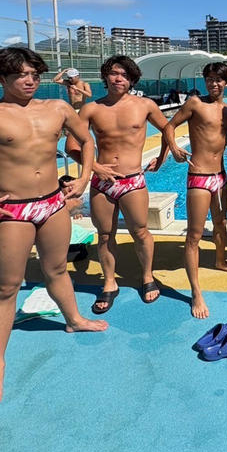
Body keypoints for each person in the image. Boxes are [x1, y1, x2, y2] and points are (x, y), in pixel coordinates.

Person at [0, 47, 107, 408]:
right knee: (6, 287)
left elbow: (86, 141)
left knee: (57, 269)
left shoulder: (57, 108)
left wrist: (83, 178)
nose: (30, 81)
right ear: (2, 78)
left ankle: (74, 319)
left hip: (53, 203)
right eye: (21, 75)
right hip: (13, 210)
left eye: (35, 74)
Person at [72, 56, 169, 314]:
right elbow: (72, 146)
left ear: (132, 80)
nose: (119, 79)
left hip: (133, 180)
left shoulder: (145, 105)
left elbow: (168, 129)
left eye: (125, 75)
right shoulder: (91, 110)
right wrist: (96, 167)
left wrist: (162, 157)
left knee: (141, 232)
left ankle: (147, 276)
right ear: (106, 76)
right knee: (105, 235)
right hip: (102, 182)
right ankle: (109, 282)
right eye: (114, 73)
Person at [164, 62, 227, 318]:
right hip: (199, 176)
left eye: (218, 79)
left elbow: (223, 137)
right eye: (209, 79)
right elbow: (169, 126)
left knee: (221, 223)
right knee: (194, 235)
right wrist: (174, 149)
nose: (213, 83)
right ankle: (196, 292)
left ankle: (220, 261)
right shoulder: (195, 104)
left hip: (220, 176)